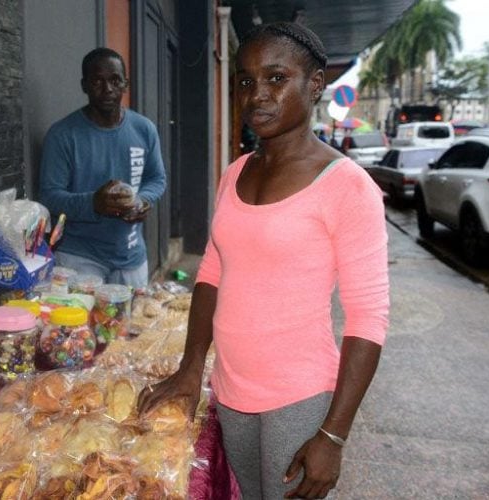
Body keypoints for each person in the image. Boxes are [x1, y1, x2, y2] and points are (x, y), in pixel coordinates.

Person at [138, 22, 389, 500]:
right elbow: (212, 271)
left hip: (298, 398)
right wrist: (193, 368)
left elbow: (368, 319)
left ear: (314, 84)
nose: (258, 95)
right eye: (246, 81)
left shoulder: (345, 185)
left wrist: (333, 434)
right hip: (231, 390)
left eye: (277, 78)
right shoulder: (235, 173)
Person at [39, 47, 166, 289]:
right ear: (84, 85)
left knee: (132, 326)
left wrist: (142, 200)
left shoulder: (144, 129)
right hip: (78, 258)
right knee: (77, 328)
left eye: (115, 80)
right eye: (97, 81)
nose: (108, 89)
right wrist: (93, 203)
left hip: (131, 258)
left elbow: (156, 178)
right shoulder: (63, 135)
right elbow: (49, 196)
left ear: (125, 84)